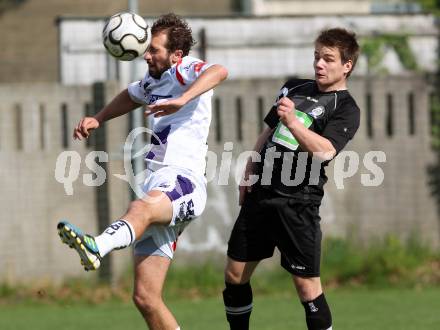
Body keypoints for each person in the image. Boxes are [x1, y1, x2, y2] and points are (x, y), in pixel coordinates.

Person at [57, 13, 228, 330]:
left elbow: (220, 71)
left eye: (154, 50)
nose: (145, 55)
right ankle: (100, 248)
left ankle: (98, 247)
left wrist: (183, 99)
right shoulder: (153, 80)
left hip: (183, 181)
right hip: (158, 179)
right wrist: (99, 117)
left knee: (141, 207)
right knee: (146, 298)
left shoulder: (186, 70)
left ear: (175, 54)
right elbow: (131, 94)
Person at [223, 28, 360, 330]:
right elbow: (269, 132)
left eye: (328, 59)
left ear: (346, 65)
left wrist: (295, 122)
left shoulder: (346, 108)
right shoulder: (294, 87)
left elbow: (325, 152)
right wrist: (250, 169)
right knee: (234, 275)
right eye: (316, 57)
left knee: (307, 288)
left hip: (298, 203)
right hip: (262, 194)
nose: (319, 64)